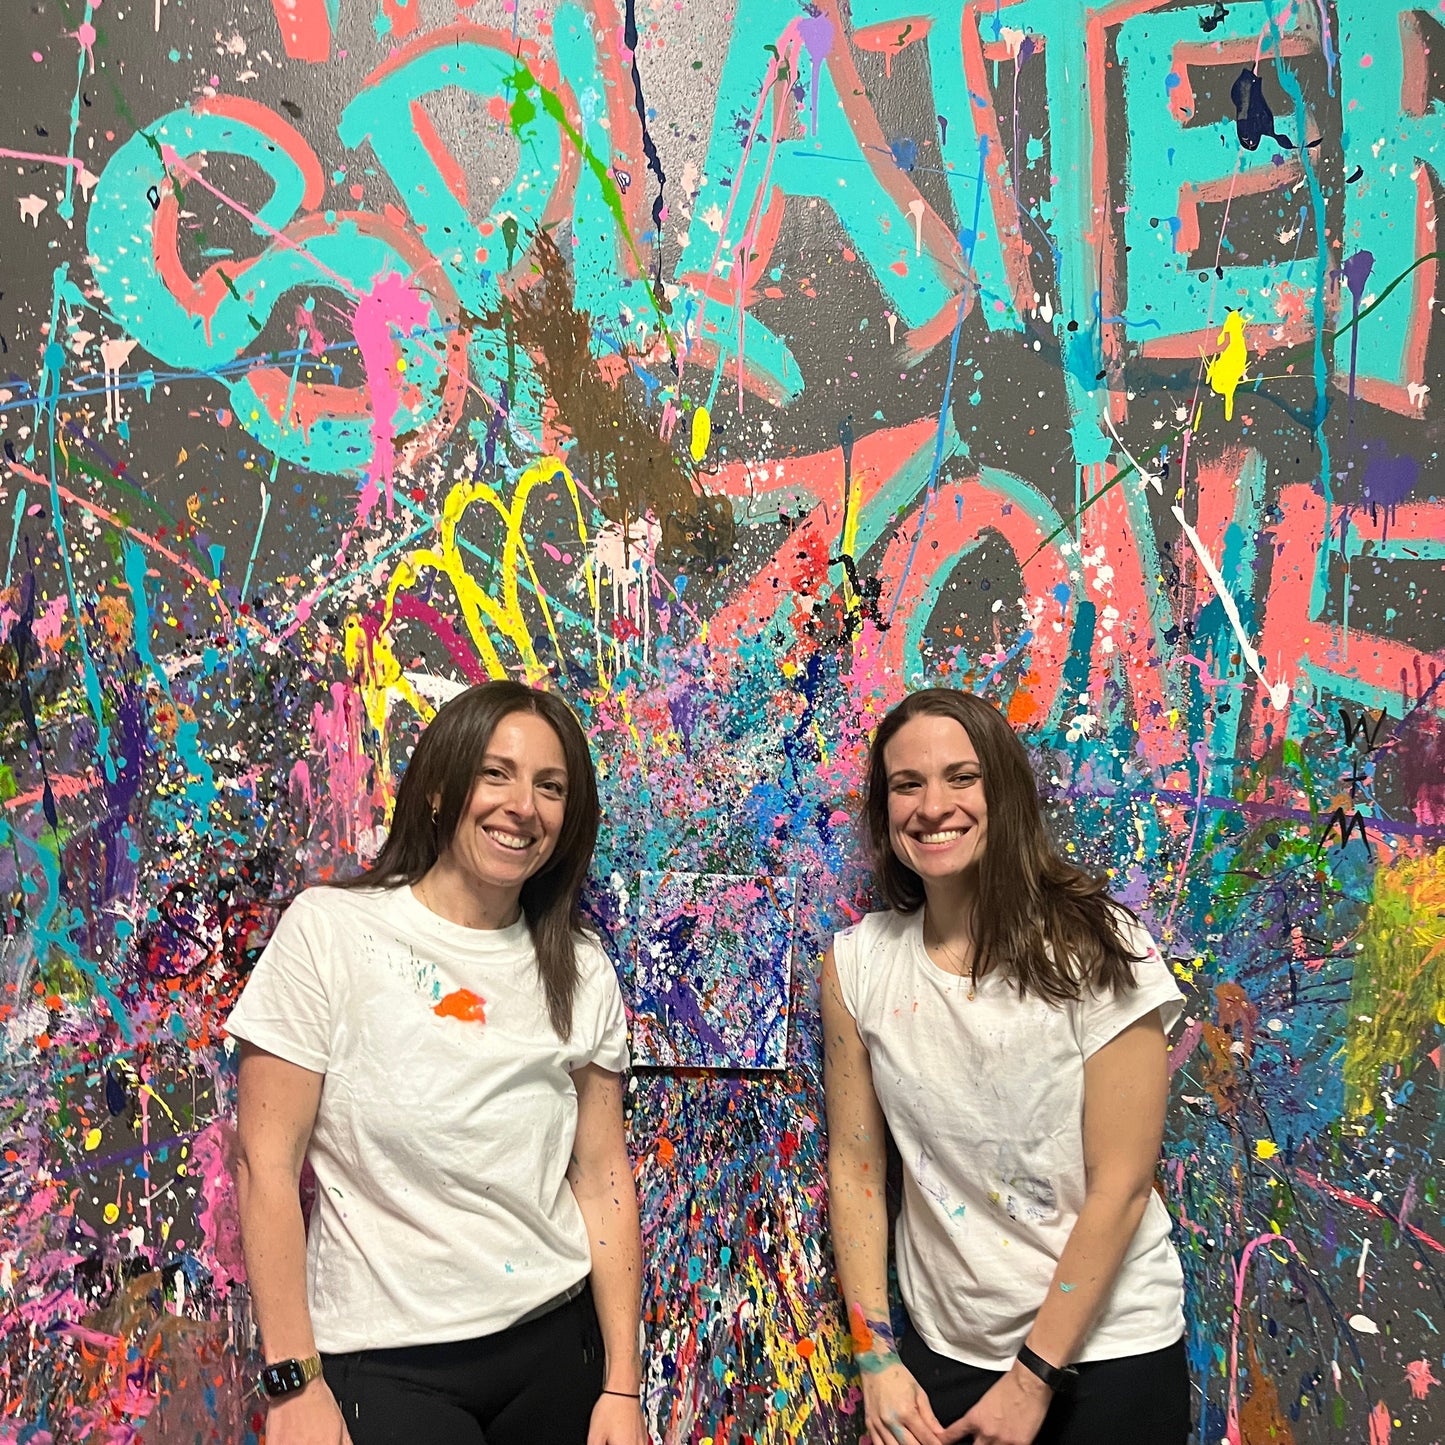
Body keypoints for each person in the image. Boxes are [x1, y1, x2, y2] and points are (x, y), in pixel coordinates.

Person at [228, 680, 647, 1445]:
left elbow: (601, 1175)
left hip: (554, 1346)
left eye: (550, 787)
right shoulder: (329, 932)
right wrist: (293, 1379)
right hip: (387, 1362)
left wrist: (622, 1382)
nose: (523, 805)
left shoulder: (581, 968)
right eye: (496, 773)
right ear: (435, 791)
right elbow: (265, 1161)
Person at [822, 688, 1191, 1445]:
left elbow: (1121, 1185)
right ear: (882, 809)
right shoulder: (857, 963)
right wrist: (876, 1358)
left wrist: (1031, 1379)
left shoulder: (1099, 945)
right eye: (906, 784)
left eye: (962, 777)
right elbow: (856, 1167)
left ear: (1004, 791)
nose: (933, 805)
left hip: (1104, 1352)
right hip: (943, 1354)